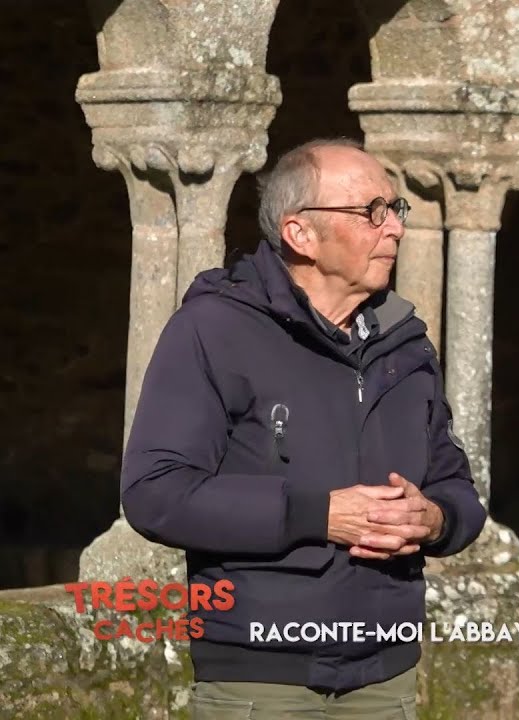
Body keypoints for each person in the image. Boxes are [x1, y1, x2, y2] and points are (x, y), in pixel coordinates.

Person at [121, 138, 486, 718]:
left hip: (385, 679)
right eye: (372, 211)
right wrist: (319, 514)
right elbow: (155, 493)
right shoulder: (213, 330)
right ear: (300, 234)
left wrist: (434, 519)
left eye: (396, 210)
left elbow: (458, 488)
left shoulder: (405, 345)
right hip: (262, 680)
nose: (393, 228)